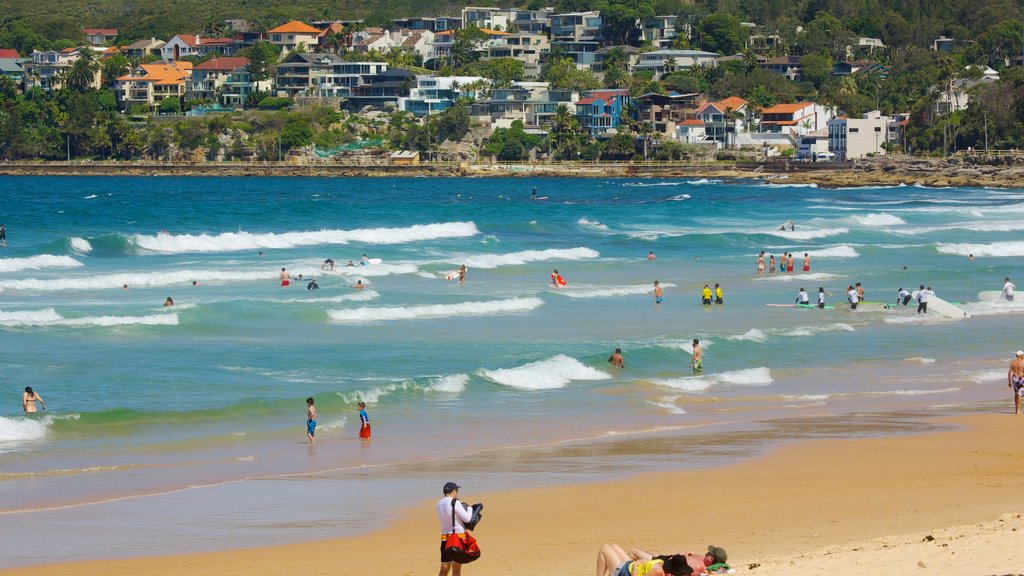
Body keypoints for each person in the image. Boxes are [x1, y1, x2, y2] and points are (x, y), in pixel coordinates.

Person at [438, 482, 474, 576]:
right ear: (453, 492)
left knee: (444, 568)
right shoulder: (455, 502)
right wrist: (470, 508)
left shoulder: (439, 504)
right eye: (457, 491)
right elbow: (467, 518)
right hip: (458, 537)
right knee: (456, 569)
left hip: (445, 538)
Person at [594, 544, 696, 576]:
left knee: (605, 549)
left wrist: (634, 567)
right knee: (613, 546)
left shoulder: (658, 571)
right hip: (629, 566)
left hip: (624, 572)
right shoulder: (661, 565)